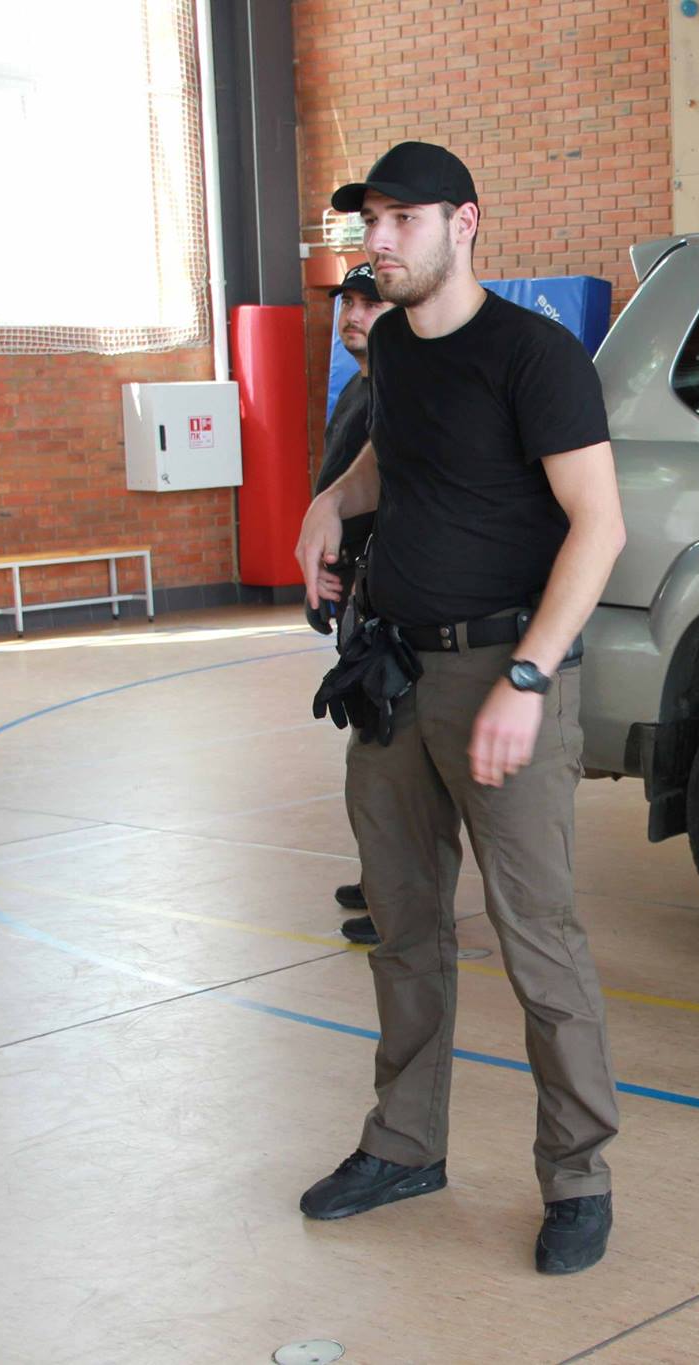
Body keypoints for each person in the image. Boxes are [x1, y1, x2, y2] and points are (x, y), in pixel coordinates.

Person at [291, 141, 627, 1275]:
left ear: (464, 222)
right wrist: (330, 503)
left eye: (402, 219)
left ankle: (577, 1174)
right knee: (401, 926)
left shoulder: (536, 356)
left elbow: (599, 527)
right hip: (394, 674)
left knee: (539, 940)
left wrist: (528, 678)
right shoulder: (391, 344)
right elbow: (394, 461)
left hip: (505, 675)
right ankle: (404, 1145)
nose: (378, 241)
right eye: (369, 221)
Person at [315, 260, 394, 945]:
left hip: (385, 599)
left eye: (371, 304)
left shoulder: (400, 395)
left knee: (388, 759)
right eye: (348, 303)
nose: (355, 315)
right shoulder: (354, 389)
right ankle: (380, 879)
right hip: (355, 596)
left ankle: (398, 898)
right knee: (369, 750)